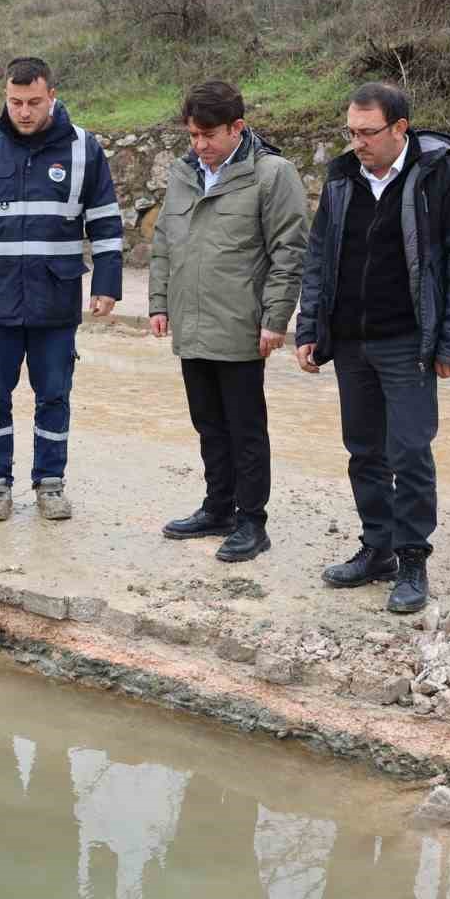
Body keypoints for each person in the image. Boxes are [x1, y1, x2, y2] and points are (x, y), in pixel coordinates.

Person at [295, 82, 450, 613]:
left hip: (409, 343)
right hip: (352, 342)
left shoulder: (442, 177)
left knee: (409, 452)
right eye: (350, 132)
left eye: (367, 132)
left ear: (400, 128)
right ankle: (376, 548)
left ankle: (412, 559)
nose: (356, 142)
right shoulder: (341, 179)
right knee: (364, 451)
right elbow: (319, 260)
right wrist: (309, 326)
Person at [0, 56, 123, 522]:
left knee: (54, 396)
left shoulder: (83, 149)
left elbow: (105, 223)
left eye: (34, 102)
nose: (23, 111)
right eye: (15, 102)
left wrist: (107, 282)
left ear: (52, 97)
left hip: (55, 301)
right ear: (5, 97)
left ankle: (51, 484)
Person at [148, 81, 306, 563]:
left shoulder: (272, 175)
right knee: (208, 425)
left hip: (242, 326)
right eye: (192, 135)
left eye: (208, 135)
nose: (199, 145)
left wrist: (276, 318)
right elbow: (163, 241)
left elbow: (289, 250)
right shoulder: (183, 173)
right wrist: (160, 303)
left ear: (238, 127)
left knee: (245, 428)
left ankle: (251, 522)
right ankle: (217, 508)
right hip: (191, 325)